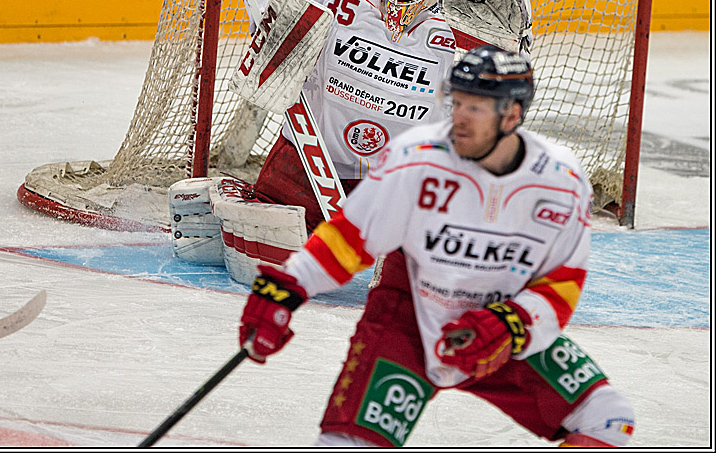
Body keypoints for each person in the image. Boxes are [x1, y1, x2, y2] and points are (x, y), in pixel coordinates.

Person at [237, 45, 636, 447]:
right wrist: (286, 288)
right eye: (456, 101)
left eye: (476, 107)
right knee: (348, 443)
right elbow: (351, 236)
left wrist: (510, 324)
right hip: (406, 319)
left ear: (512, 115)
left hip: (500, 327)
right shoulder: (417, 158)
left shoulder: (560, 181)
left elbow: (563, 282)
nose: (459, 117)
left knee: (607, 420)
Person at [246, 0, 464, 230]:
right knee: (261, 247)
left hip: (399, 181)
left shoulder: (459, 19)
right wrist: (278, 2)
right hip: (308, 160)